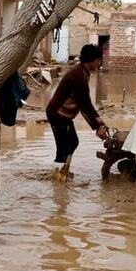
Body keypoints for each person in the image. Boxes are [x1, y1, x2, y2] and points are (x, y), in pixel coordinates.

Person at [46, 44, 108, 177]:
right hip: (57, 114)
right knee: (64, 147)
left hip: (63, 115)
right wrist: (97, 127)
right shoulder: (78, 76)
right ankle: (57, 177)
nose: (99, 63)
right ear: (91, 60)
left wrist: (97, 118)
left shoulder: (83, 72)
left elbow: (86, 102)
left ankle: (63, 172)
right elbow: (84, 104)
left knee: (73, 142)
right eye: (98, 60)